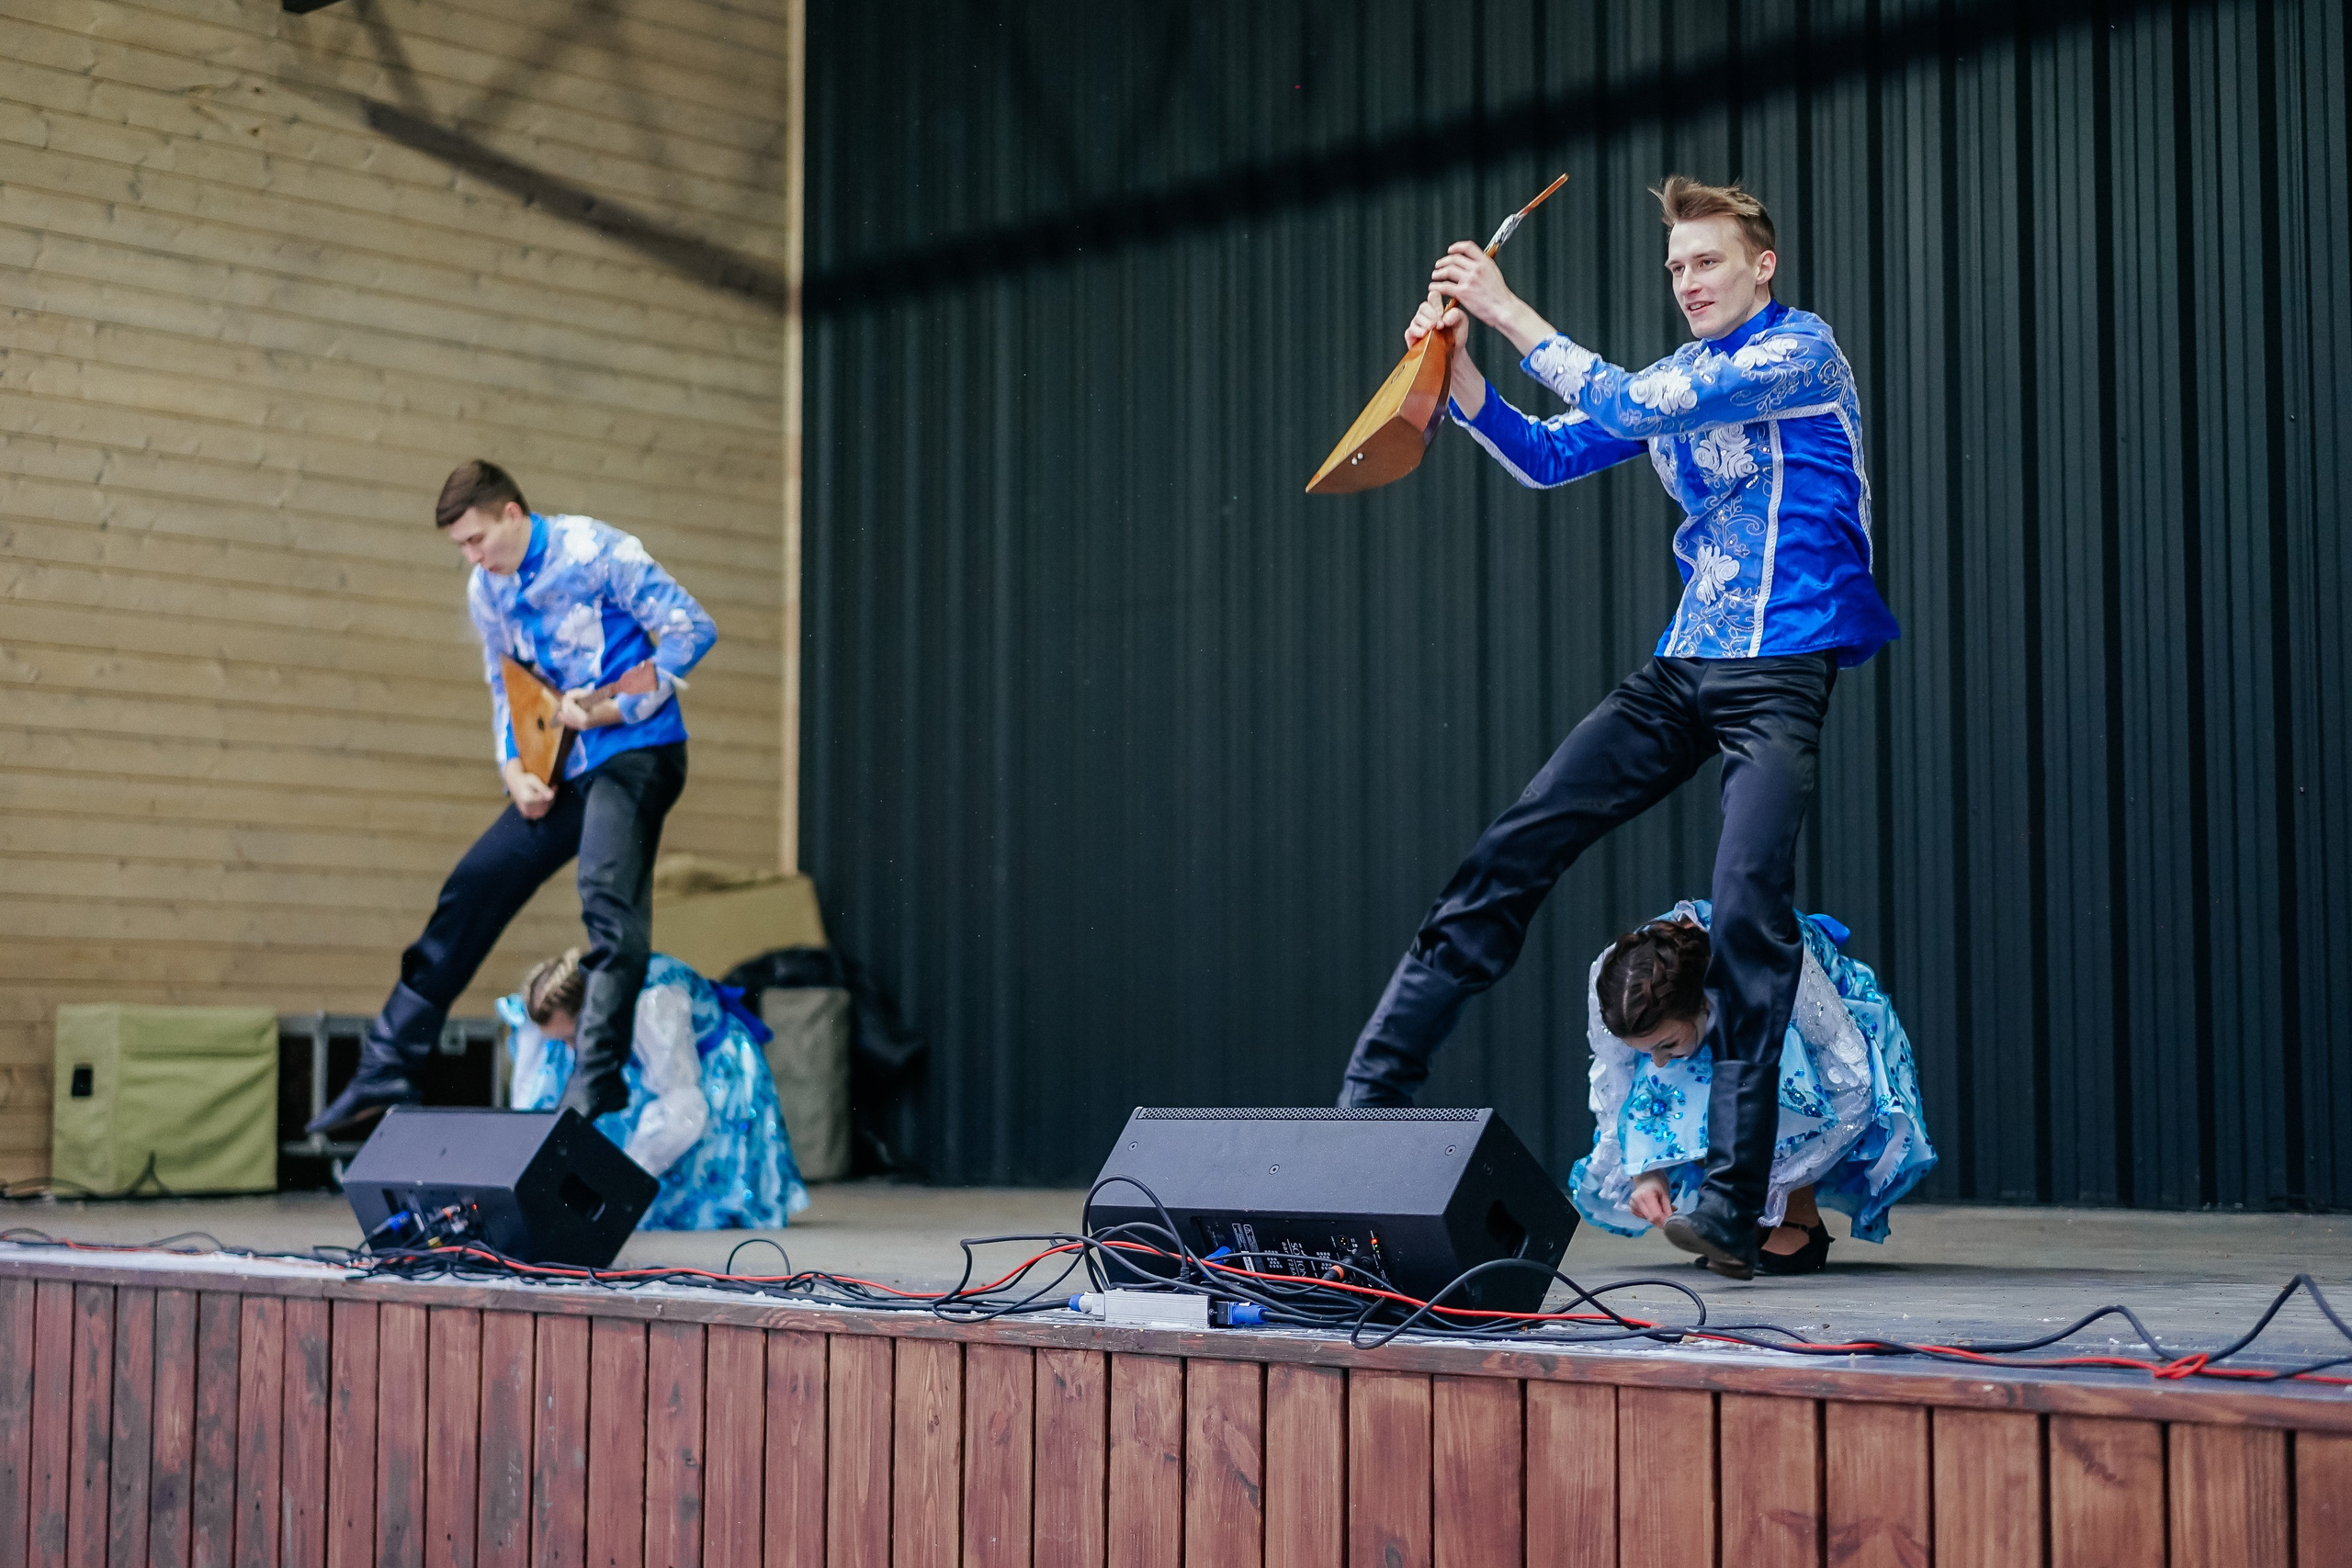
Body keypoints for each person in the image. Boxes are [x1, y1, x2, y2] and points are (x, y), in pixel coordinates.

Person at [1336, 177, 1902, 1280]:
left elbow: (1633, 409)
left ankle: (1735, 1206)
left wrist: (1504, 307)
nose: (1686, 281)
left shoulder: (1800, 353)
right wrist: (1457, 375)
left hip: (1780, 667)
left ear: (1761, 267)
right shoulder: (1679, 378)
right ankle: (1369, 1100)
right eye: (1675, 266)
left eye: (1706, 261)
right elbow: (1547, 455)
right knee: (1519, 843)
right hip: (1686, 664)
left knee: (1748, 908)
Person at [309, 460, 717, 1135]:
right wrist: (513, 768)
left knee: (606, 898)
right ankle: (387, 1062)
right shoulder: (487, 589)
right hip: (562, 765)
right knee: (475, 884)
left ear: (512, 514)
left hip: (636, 754)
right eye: (461, 548)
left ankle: (594, 1081)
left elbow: (690, 631)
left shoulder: (596, 550)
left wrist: (612, 707)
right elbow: (507, 685)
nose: (472, 558)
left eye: (477, 540)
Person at [1573, 903, 1935, 1273]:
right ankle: (1742, 1217)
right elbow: (1617, 1091)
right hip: (1725, 1021)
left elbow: (1847, 1069)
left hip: (1819, 1030)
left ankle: (1797, 1222)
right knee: (1663, 1086)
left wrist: (1779, 1186)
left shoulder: (1762, 961)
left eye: (1666, 1044)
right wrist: (1645, 1172)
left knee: (1768, 1073)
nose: (1659, 1060)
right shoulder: (1617, 988)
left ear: (1704, 1000)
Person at [503, 949, 808, 1230]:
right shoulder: (579, 1007)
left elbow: (683, 1105)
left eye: (572, 1037)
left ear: (592, 1014)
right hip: (656, 1063)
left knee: (698, 1195)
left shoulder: (653, 1004)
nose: (569, 1048)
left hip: (712, 1070)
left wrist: (621, 1185)